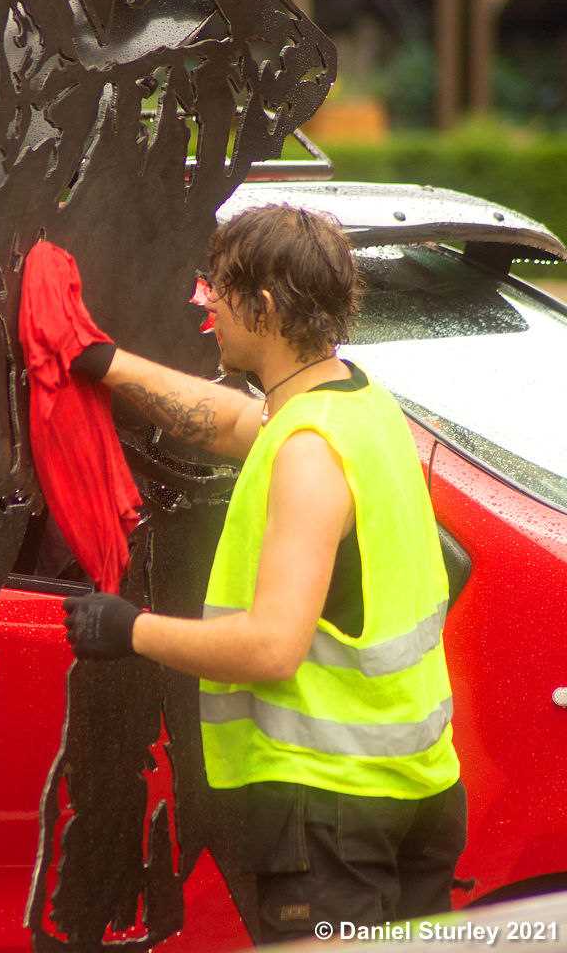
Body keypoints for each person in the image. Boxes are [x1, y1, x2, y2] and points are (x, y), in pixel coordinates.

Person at [64, 203, 466, 942]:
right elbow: (226, 421)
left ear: (265, 306)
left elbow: (272, 649)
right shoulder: (356, 405)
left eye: (215, 288)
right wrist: (102, 362)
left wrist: (131, 630)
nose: (205, 303)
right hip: (411, 791)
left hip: (332, 817)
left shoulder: (307, 453)